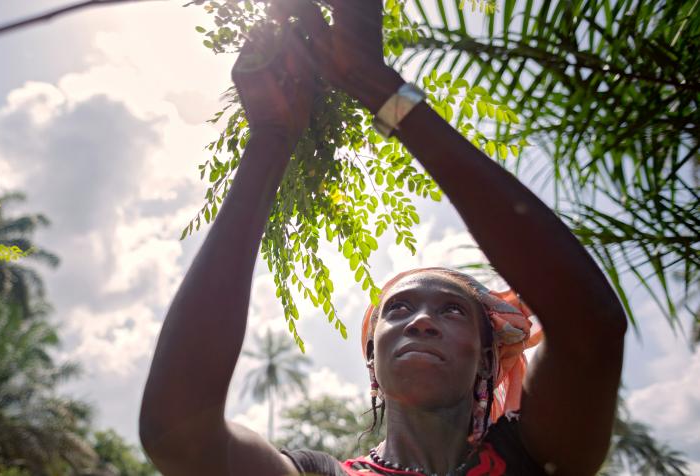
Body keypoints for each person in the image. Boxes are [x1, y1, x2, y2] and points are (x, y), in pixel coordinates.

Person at [139, 0, 627, 474]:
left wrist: (382, 91)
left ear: (486, 357)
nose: (420, 321)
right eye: (397, 309)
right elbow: (178, 433)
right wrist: (269, 136)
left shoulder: (533, 457)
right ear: (373, 359)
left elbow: (593, 328)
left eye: (452, 310)